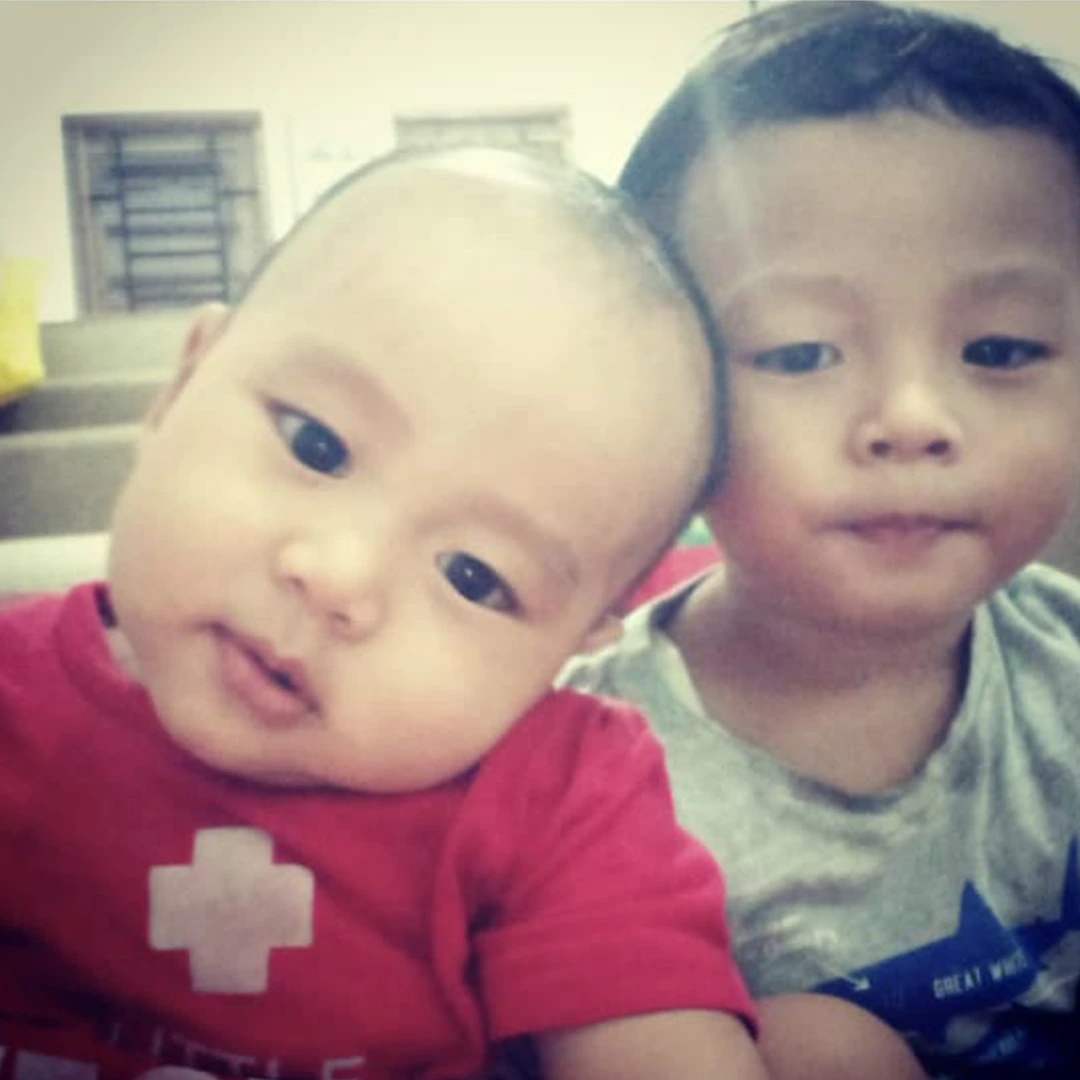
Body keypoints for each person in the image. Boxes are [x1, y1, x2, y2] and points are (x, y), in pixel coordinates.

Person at [0, 146, 772, 1080]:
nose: (340, 577)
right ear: (183, 382)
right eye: (317, 445)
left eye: (474, 576)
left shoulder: (565, 799)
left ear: (573, 644)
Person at [560, 2, 1080, 1077]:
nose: (912, 418)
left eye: (999, 347)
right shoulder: (579, 779)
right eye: (799, 352)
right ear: (661, 390)